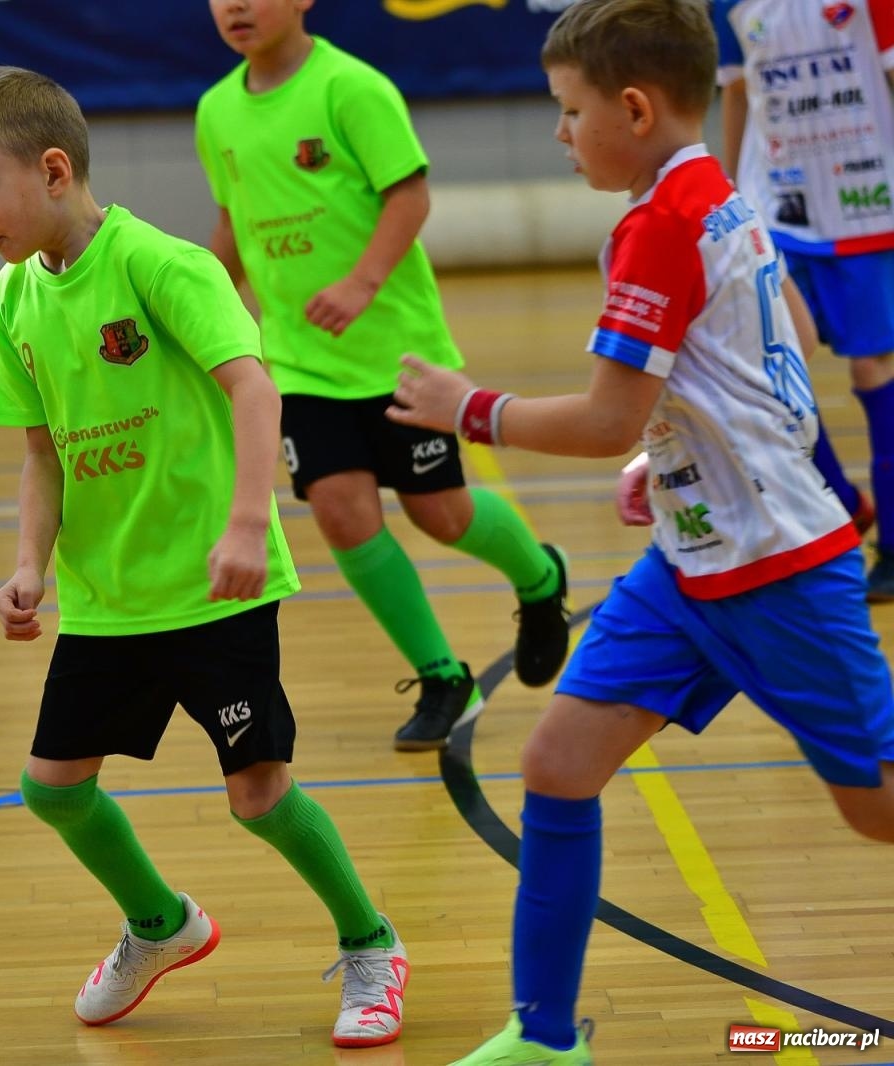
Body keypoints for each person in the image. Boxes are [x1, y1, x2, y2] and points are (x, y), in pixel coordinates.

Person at [386, 0, 894, 1061]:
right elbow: (775, 351)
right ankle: (545, 1036)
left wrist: (469, 408)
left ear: (631, 106)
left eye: (569, 113)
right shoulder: (718, 196)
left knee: (875, 809)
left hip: (778, 571)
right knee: (557, 766)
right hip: (693, 558)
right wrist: (665, 462)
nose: (560, 134)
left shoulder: (660, 224)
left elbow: (610, 409)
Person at [0, 65, 411, 1048]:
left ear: (53, 170)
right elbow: (41, 453)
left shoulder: (161, 265)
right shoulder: (8, 305)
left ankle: (372, 942)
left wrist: (246, 524)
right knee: (52, 787)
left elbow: (251, 387)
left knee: (258, 794)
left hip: (214, 586)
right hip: (109, 599)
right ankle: (160, 924)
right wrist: (31, 566)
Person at [195, 0, 573, 753]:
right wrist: (201, 309)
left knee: (441, 514)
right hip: (301, 363)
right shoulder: (214, 111)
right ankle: (442, 677)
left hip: (396, 349)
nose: (235, 5)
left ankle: (539, 578)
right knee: (341, 511)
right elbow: (233, 223)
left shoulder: (352, 88)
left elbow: (410, 195)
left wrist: (363, 284)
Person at [712, 0, 894, 597]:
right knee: (767, 366)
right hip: (778, 208)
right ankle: (841, 506)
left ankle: (892, 544)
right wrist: (730, 195)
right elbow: (737, 93)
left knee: (873, 367)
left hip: (866, 201)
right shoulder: (731, 5)